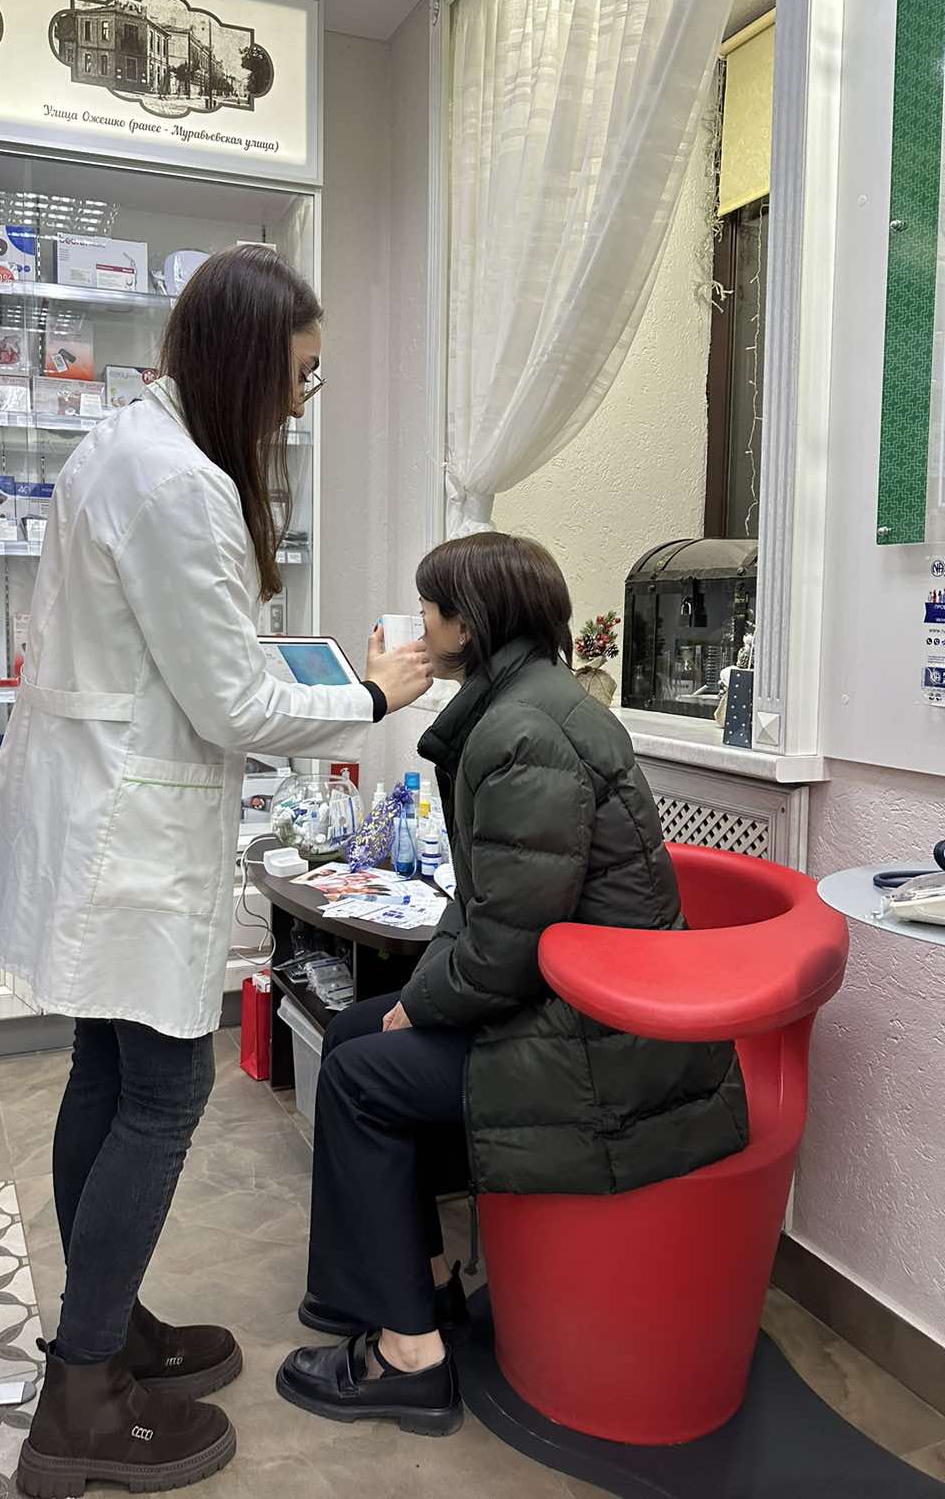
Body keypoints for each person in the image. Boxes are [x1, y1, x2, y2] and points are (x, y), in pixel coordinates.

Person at [0, 246, 433, 1496]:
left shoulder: (124, 445)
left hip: (100, 807)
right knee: (165, 1094)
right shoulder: (180, 483)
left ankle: (105, 1326)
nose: (298, 401)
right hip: (129, 826)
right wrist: (372, 693)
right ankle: (81, 1398)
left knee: (106, 1071)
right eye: (300, 374)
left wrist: (294, 670)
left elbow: (196, 651)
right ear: (248, 359)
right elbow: (231, 701)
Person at [277, 533, 749, 1436]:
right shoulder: (529, 703)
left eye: (429, 610)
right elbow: (495, 908)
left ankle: (410, 1360)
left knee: (364, 1073)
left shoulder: (522, 733)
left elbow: (506, 947)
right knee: (352, 1033)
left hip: (604, 1044)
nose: (420, 626)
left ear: (469, 624)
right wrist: (413, 1001)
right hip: (572, 1005)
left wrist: (421, 1005)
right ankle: (421, 1285)